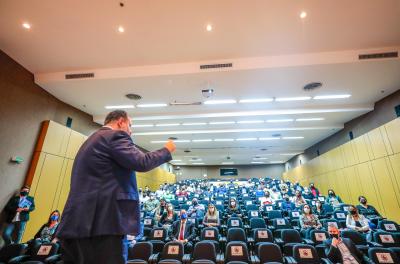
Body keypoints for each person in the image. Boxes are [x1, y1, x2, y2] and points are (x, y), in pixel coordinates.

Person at [56, 110, 176, 264]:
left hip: (80, 222)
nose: (131, 131)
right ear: (120, 122)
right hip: (104, 222)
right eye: (130, 125)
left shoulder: (92, 139)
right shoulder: (113, 136)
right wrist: (166, 150)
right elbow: (141, 162)